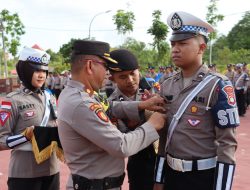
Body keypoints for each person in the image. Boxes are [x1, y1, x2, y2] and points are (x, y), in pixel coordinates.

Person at [57, 40, 166, 190]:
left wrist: (141, 105)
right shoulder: (81, 102)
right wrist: (153, 124)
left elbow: (110, 107)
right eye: (105, 67)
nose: (107, 74)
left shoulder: (78, 95)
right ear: (89, 66)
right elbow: (121, 146)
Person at [153, 11, 239, 190]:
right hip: (171, 175)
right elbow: (164, 137)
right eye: (173, 44)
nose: (175, 49)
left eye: (182, 43)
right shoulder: (167, 84)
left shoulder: (218, 85)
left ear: (201, 48)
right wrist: (159, 179)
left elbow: (227, 143)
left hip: (202, 178)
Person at [0, 46, 60, 190]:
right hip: (24, 175)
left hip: (52, 171)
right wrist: (25, 137)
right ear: (26, 71)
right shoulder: (12, 101)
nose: (42, 75)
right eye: (37, 70)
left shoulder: (50, 97)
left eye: (44, 71)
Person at [108, 49, 156, 190]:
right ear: (113, 79)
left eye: (132, 74)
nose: (130, 80)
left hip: (163, 157)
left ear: (138, 71)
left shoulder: (152, 92)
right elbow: (121, 136)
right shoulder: (111, 103)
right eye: (122, 77)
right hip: (138, 159)